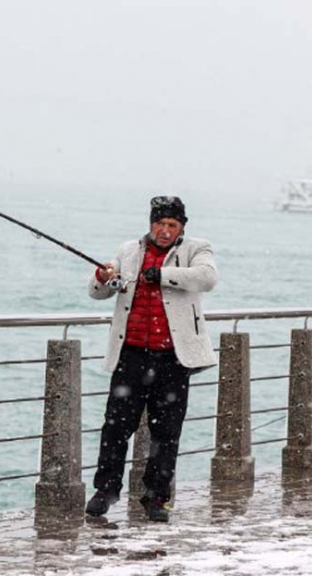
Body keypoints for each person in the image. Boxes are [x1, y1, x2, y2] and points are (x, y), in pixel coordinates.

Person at [84, 196, 218, 522]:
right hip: (129, 355)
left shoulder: (197, 249)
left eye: (172, 225)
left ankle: (156, 497)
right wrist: (103, 278)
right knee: (115, 428)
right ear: (150, 224)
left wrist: (161, 274)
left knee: (167, 432)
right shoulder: (128, 250)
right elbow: (98, 292)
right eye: (160, 223)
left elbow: (207, 278)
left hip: (172, 359)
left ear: (182, 228)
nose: (164, 230)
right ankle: (105, 490)